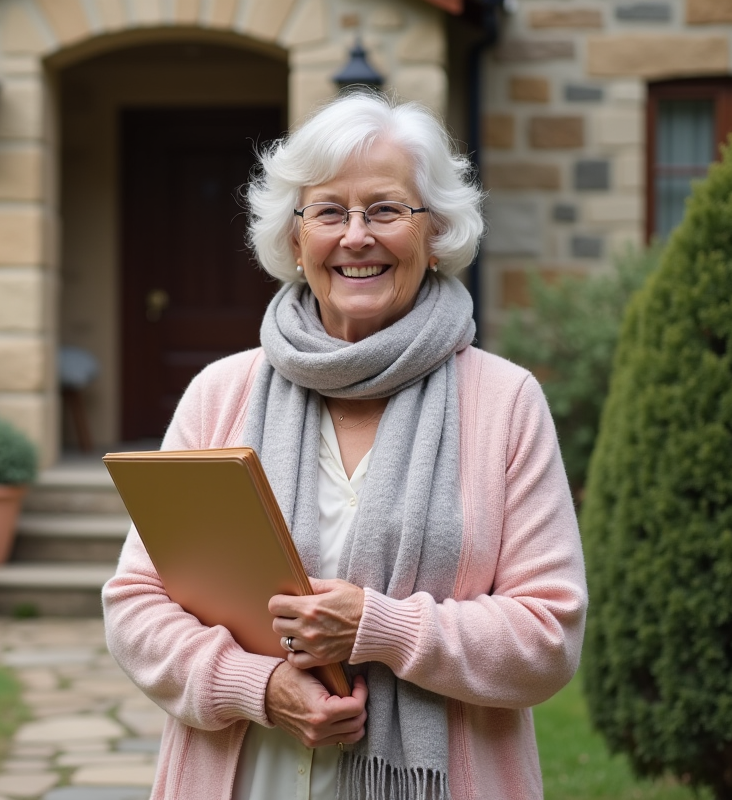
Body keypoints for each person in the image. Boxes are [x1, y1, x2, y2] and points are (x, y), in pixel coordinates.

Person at [102, 92, 587, 800]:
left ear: (437, 231)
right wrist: (260, 686)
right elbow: (136, 604)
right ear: (296, 241)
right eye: (329, 212)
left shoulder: (505, 402)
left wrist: (379, 627)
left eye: (386, 210)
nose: (356, 236)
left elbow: (547, 639)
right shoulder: (220, 393)